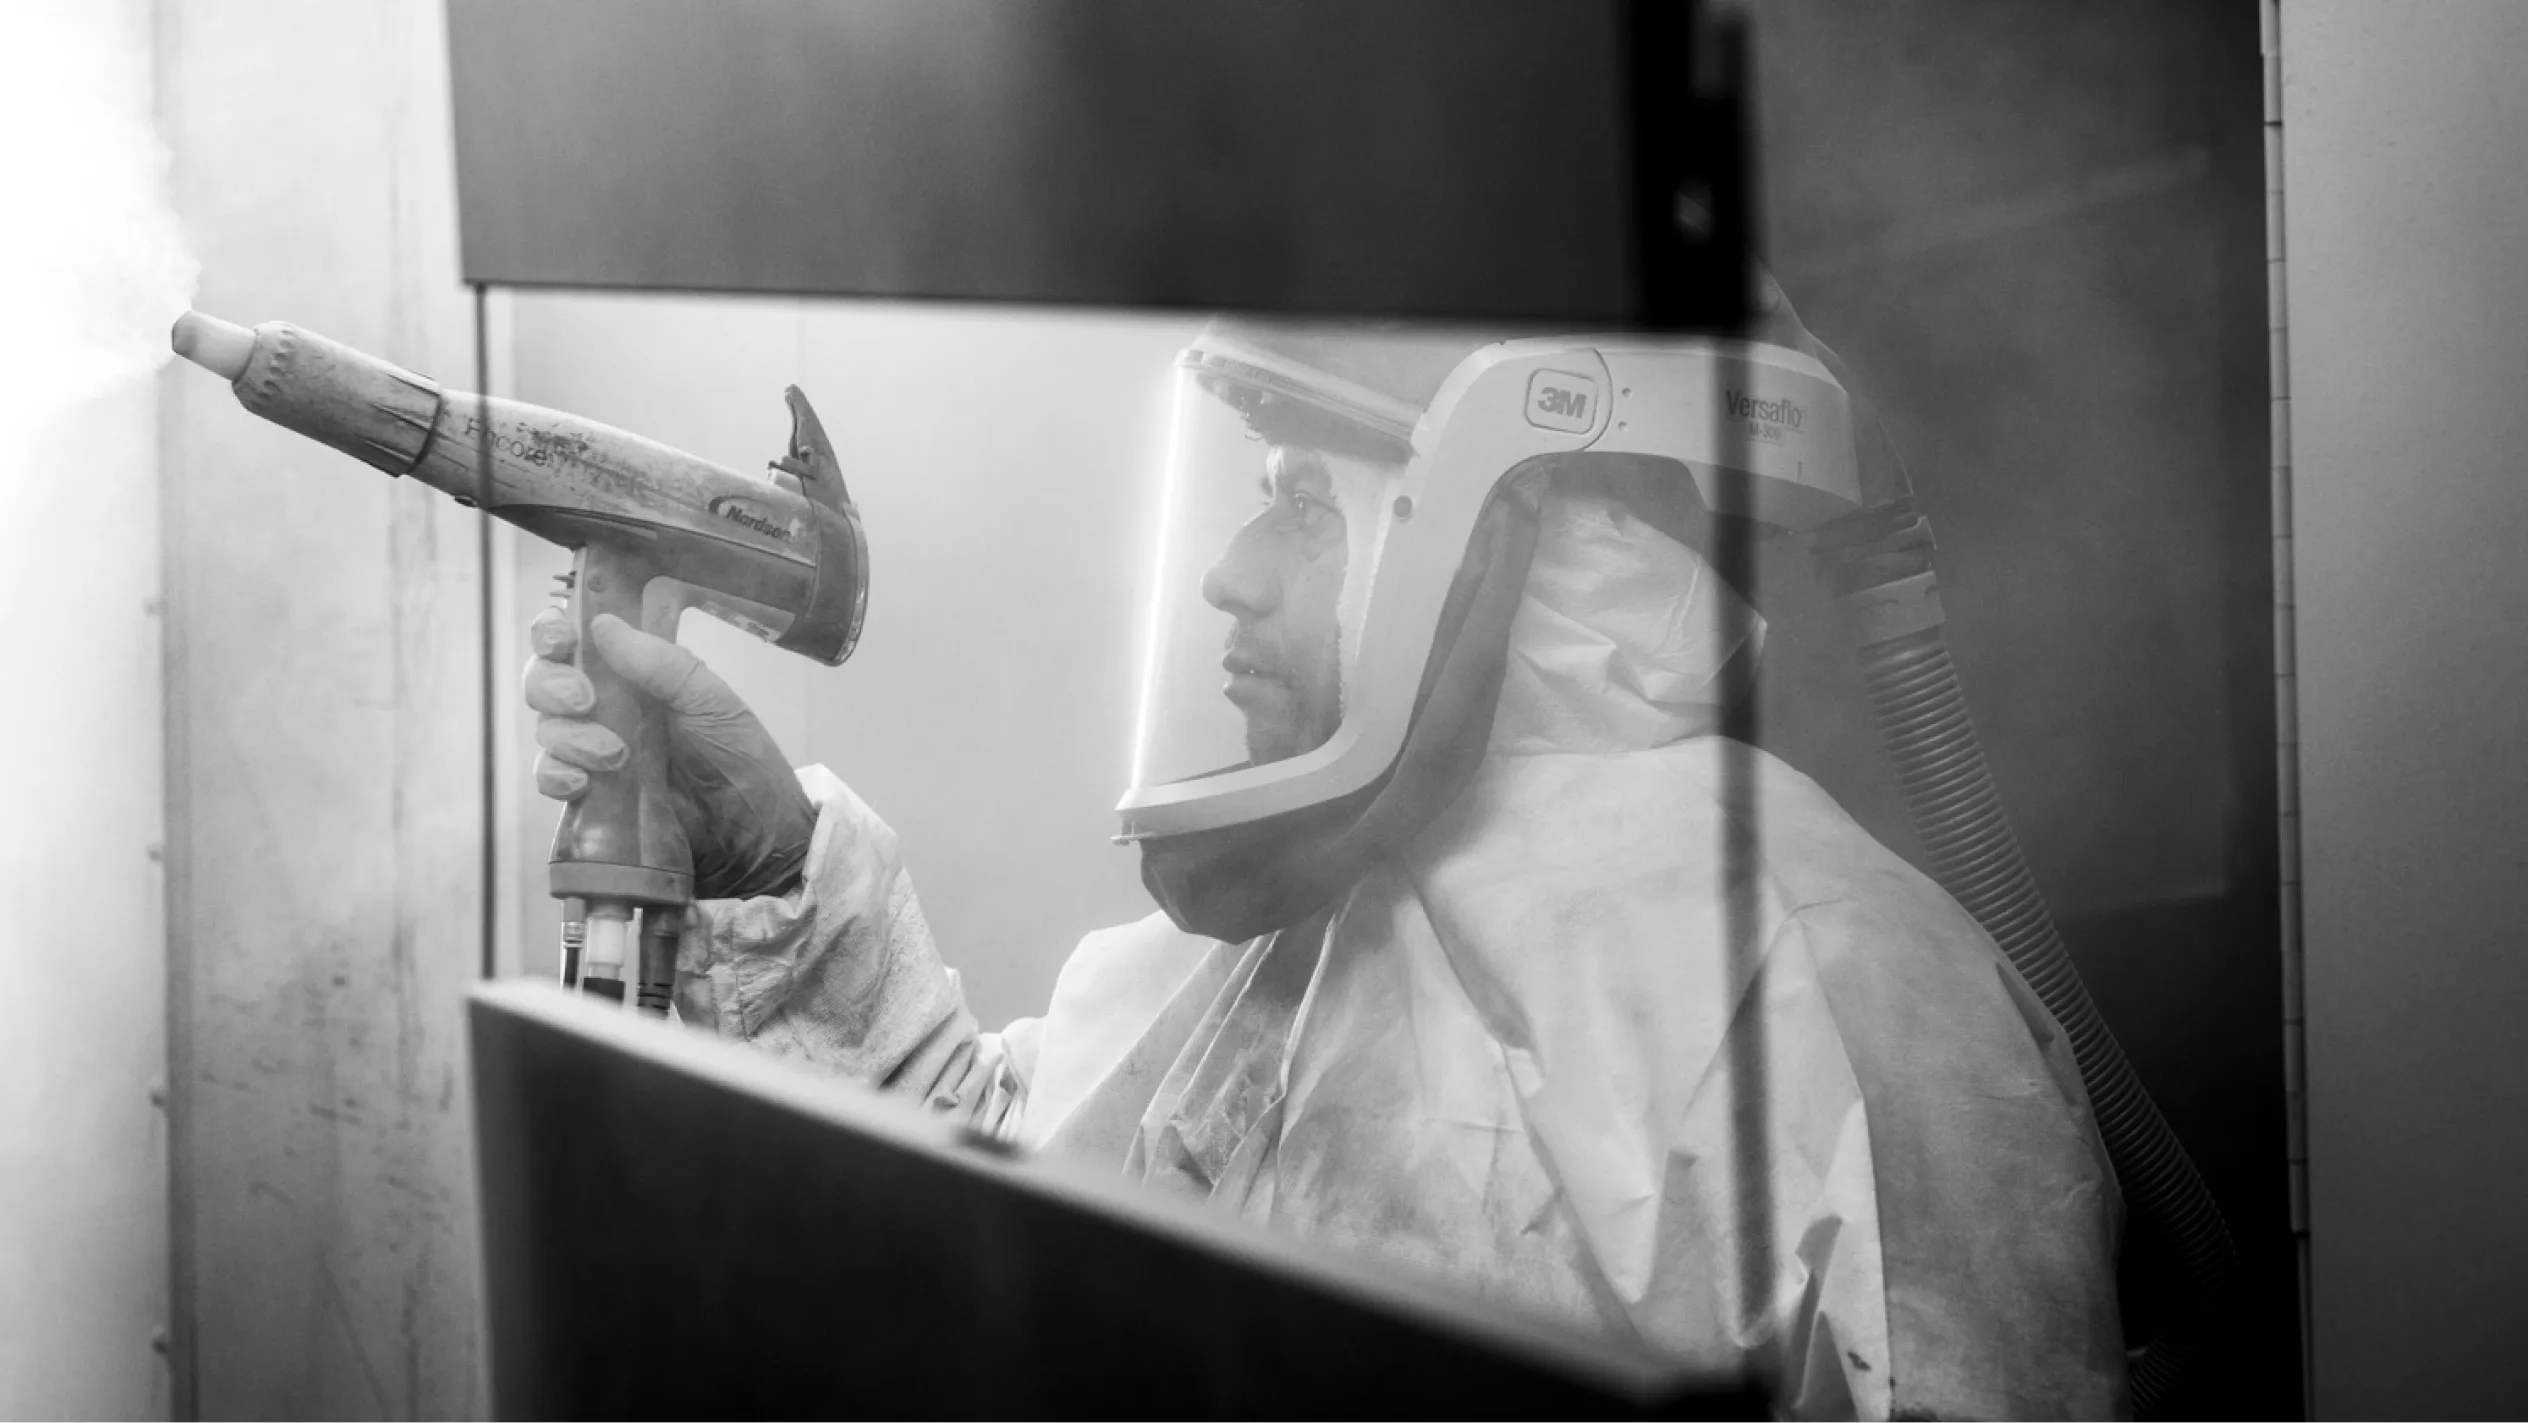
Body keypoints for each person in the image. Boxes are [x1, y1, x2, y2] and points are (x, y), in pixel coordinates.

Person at [522, 283, 2128, 1420]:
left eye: (1300, 504)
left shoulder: (1830, 989)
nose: (1224, 574)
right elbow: (1005, 1215)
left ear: (1526, 527)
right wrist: (772, 862)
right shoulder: (1289, 920)